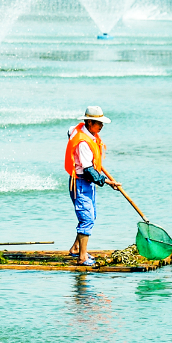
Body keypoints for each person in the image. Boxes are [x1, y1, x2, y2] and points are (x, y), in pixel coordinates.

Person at [64, 106, 117, 267]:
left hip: (87, 184)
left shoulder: (79, 130)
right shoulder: (83, 143)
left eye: (102, 123)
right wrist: (107, 182)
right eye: (98, 123)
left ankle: (76, 247)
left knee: (90, 216)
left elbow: (70, 130)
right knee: (86, 219)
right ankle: (82, 258)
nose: (101, 127)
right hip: (80, 182)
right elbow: (88, 171)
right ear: (88, 122)